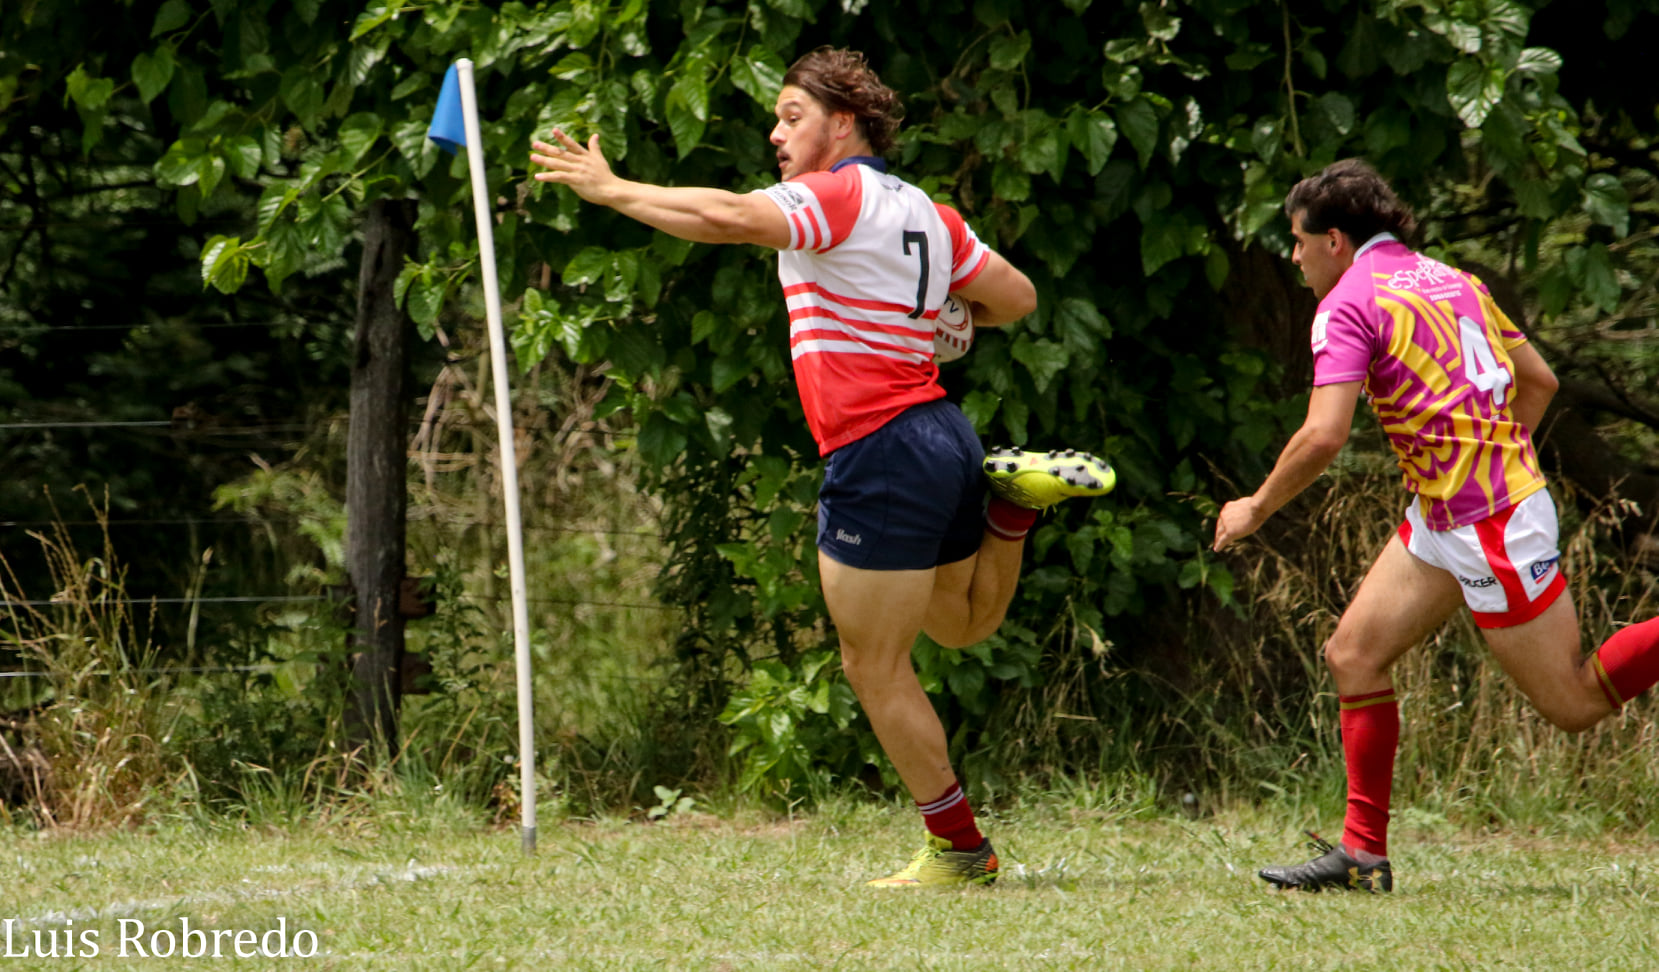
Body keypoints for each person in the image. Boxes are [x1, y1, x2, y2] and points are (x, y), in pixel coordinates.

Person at [529, 47, 1114, 887]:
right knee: (961, 627)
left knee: (870, 667)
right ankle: (1013, 507)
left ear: (844, 124)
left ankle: (960, 851)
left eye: (791, 115)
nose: (776, 132)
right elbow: (1017, 299)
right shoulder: (928, 212)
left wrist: (613, 190)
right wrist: (953, 312)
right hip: (943, 434)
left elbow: (728, 218)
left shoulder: (838, 193)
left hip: (879, 448)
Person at [1213, 157, 1659, 892]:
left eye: (1295, 241)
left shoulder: (1347, 302)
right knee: (1352, 655)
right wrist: (1492, 457)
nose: (1291, 257)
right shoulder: (1452, 279)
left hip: (1490, 524)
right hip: (1444, 512)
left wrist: (1256, 506)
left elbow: (1323, 435)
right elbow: (1537, 380)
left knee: (1572, 704)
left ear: (1334, 239)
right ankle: (1361, 858)